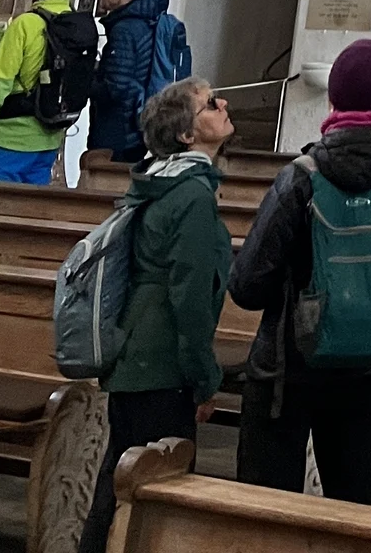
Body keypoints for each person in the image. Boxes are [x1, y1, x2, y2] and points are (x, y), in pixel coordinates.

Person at [228, 38, 371, 504]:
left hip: (288, 367)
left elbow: (247, 285)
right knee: (353, 506)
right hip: (370, 364)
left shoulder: (300, 176)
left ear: (333, 97)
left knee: (265, 512)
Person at [77, 79, 235, 553]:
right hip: (161, 365)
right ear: (188, 135)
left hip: (135, 359)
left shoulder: (160, 180)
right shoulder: (190, 197)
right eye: (210, 103)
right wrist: (205, 379)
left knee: (117, 488)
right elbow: (188, 299)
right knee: (151, 496)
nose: (223, 103)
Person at [0, 0, 97, 183]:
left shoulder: (25, 25)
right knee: (28, 210)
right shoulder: (74, 24)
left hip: (8, 141)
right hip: (49, 139)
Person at [89, 0, 192, 166]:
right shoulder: (149, 17)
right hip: (137, 122)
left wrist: (84, 82)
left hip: (118, 129)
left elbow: (115, 87)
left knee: (103, 177)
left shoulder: (124, 29)